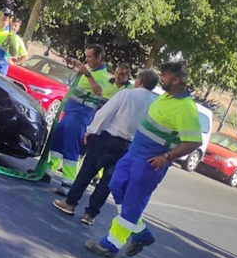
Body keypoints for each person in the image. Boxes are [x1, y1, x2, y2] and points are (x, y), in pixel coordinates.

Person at [85, 60, 202, 258]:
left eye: (164, 76)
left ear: (175, 79)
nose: (161, 78)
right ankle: (141, 233)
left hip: (150, 162)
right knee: (116, 185)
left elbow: (194, 142)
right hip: (133, 154)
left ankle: (110, 245)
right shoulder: (166, 97)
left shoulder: (186, 108)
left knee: (132, 202)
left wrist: (166, 157)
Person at [52, 68, 159, 226]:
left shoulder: (126, 94)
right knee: (108, 181)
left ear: (140, 81)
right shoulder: (154, 104)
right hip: (129, 146)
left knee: (87, 172)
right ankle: (90, 214)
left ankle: (70, 202)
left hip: (108, 139)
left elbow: (105, 113)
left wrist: (91, 130)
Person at [48, 44, 111, 195]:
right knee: (57, 141)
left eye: (90, 57)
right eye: (86, 55)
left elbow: (98, 91)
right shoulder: (91, 69)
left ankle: (67, 183)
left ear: (99, 58)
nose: (87, 59)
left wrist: (87, 74)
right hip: (71, 111)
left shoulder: (101, 75)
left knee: (71, 146)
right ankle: (48, 171)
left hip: (81, 114)